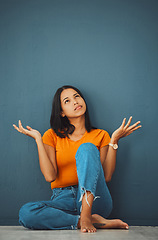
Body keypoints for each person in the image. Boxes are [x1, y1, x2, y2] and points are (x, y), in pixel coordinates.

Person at [13, 85, 141, 233]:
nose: (75, 102)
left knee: (87, 148)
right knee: (26, 213)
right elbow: (50, 176)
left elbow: (106, 176)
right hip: (63, 199)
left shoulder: (101, 135)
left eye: (77, 96)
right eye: (67, 101)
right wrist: (38, 140)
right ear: (61, 112)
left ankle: (86, 215)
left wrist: (114, 140)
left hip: (96, 200)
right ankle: (85, 221)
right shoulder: (51, 135)